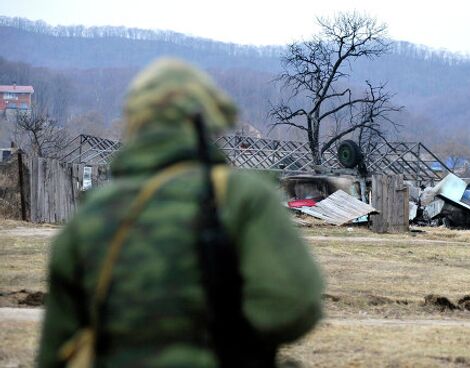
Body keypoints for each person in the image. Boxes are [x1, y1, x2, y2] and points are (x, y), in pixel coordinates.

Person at [38, 58, 324, 367]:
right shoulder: (241, 196)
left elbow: (56, 349)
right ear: (204, 121)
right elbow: (293, 308)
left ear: (135, 124)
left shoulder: (87, 216)